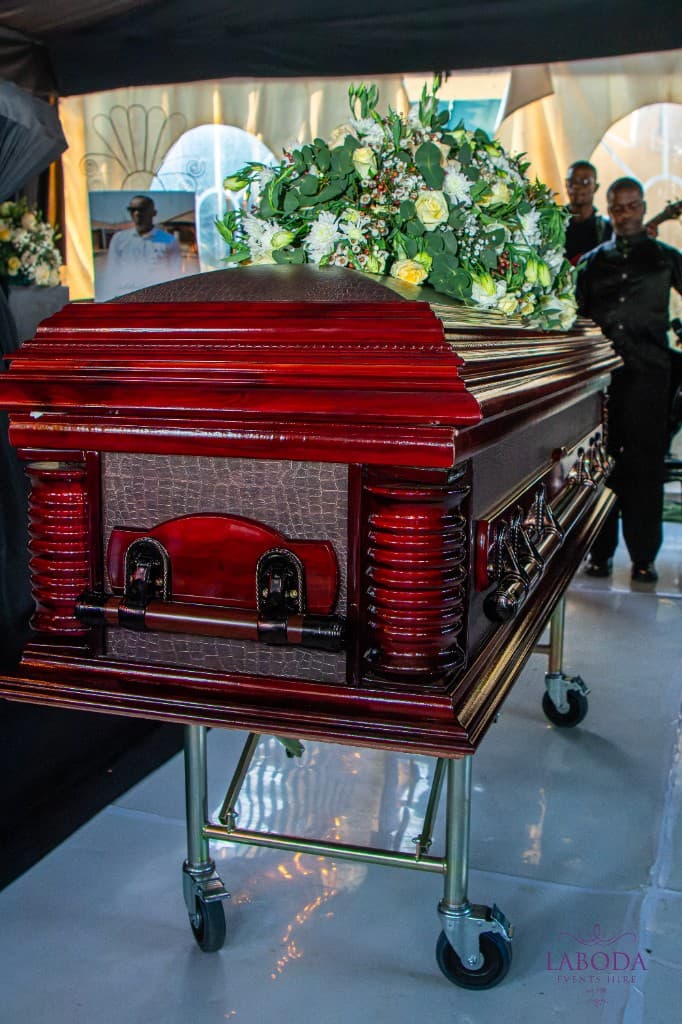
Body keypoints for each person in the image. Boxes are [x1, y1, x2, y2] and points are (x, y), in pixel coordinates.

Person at [577, 176, 682, 583]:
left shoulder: (666, 258)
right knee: (601, 465)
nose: (625, 215)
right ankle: (599, 553)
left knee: (645, 465)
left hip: (650, 376)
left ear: (642, 206)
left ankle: (643, 556)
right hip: (601, 382)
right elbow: (575, 316)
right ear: (609, 209)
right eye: (617, 208)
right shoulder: (592, 262)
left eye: (632, 206)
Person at [103, 194, 182, 299]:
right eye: (132, 210)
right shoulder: (119, 239)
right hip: (127, 298)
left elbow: (175, 275)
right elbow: (112, 272)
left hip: (158, 299)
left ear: (154, 213)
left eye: (142, 209)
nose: (137, 213)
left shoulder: (169, 240)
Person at [564, 161, 612, 265]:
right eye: (572, 181)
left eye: (585, 182)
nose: (576, 186)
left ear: (596, 187)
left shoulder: (607, 228)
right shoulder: (551, 224)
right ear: (566, 184)